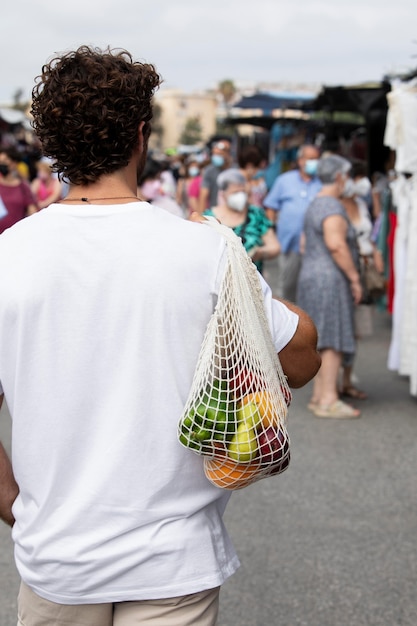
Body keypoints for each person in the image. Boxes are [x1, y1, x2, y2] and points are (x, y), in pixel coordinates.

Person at [0, 45, 320, 626]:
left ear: (54, 143)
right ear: (141, 133)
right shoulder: (202, 250)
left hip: (58, 560)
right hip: (174, 559)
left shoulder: (7, 257)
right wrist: (239, 264)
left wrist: (20, 510)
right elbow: (301, 359)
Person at [297, 154, 363, 419]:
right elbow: (336, 244)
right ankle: (328, 399)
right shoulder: (332, 208)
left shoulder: (315, 203)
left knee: (320, 337)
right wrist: (355, 278)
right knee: (332, 339)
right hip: (330, 278)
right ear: (339, 177)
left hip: (312, 274)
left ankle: (318, 395)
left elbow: (304, 244)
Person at [340, 168, 385, 400]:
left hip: (364, 267)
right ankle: (330, 380)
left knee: (357, 328)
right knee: (338, 326)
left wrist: (377, 258)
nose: (360, 182)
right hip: (344, 272)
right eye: (355, 177)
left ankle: (347, 378)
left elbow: (371, 233)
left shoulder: (360, 204)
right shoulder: (334, 206)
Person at [264, 143, 322, 302]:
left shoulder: (321, 183)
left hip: (316, 245)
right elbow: (271, 206)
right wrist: (271, 232)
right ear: (301, 160)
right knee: (287, 285)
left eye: (317, 159)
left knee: (312, 286)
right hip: (289, 243)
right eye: (311, 159)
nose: (314, 162)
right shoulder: (285, 181)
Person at [204, 168, 280, 274]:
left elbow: (274, 247)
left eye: (242, 191)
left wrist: (259, 253)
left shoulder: (256, 214)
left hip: (252, 281)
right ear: (223, 194)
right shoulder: (209, 218)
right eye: (235, 192)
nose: (240, 196)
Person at [0, 150, 38, 233]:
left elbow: (32, 212)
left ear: (14, 163)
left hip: (15, 235)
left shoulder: (23, 187)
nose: (2, 164)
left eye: (5, 161)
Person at [198, 139, 233, 213]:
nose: (215, 157)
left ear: (228, 154)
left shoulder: (235, 171)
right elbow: (203, 196)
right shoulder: (209, 171)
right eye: (214, 154)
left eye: (219, 154)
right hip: (215, 213)